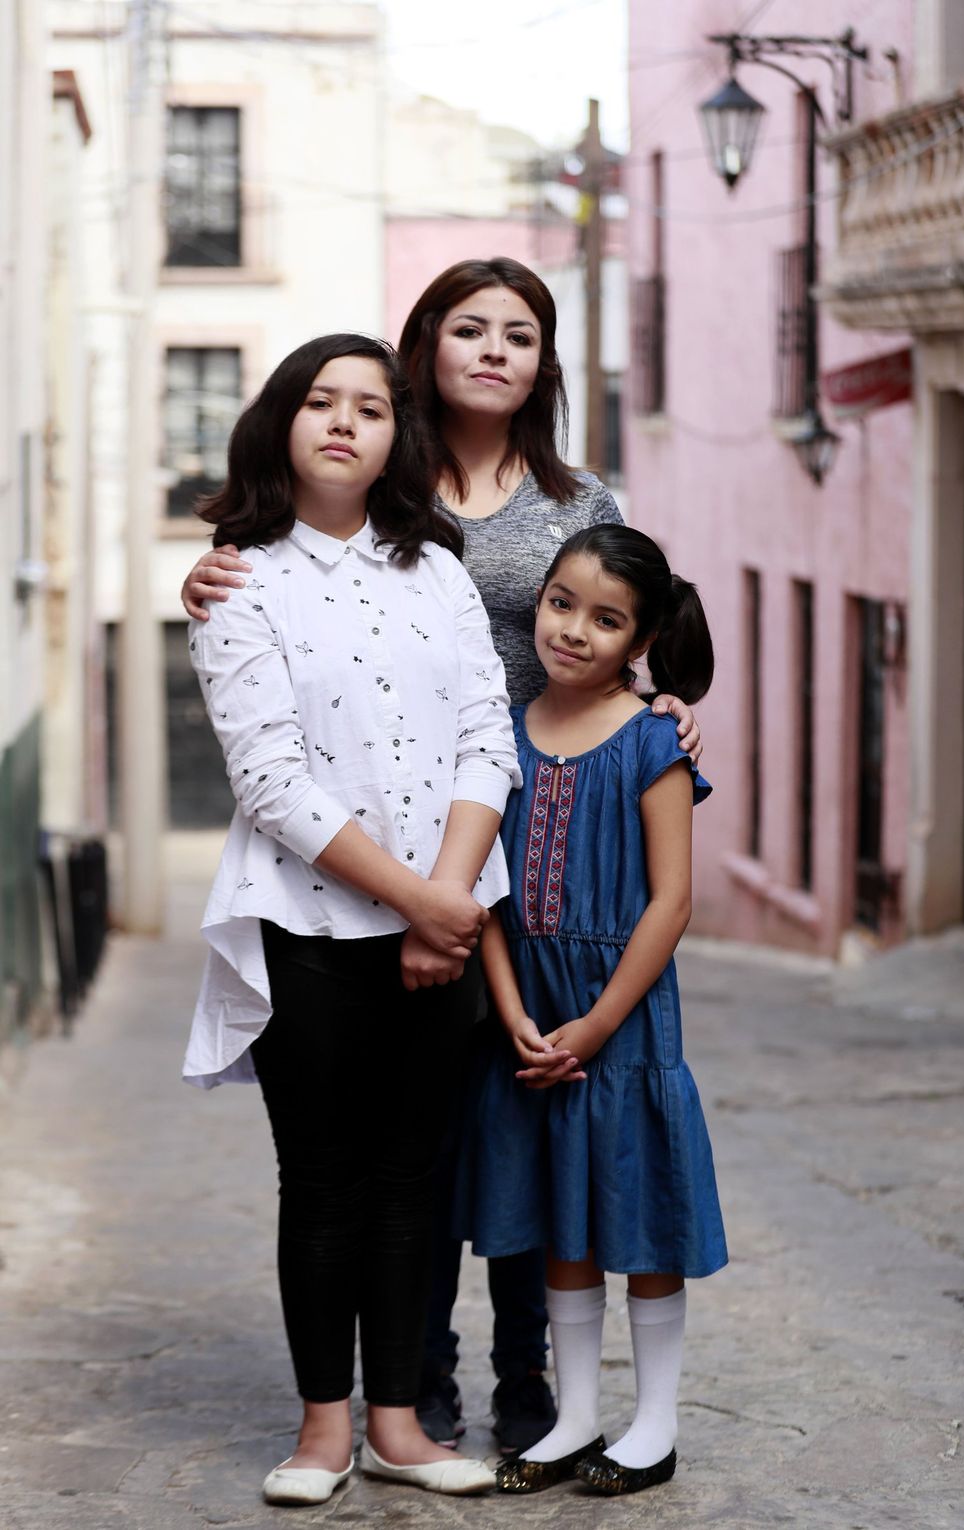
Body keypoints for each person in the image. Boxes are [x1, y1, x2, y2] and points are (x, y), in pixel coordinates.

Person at [180, 257, 705, 1453]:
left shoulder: (572, 501)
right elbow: (273, 630)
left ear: (545, 361)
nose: (491, 351)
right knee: (385, 1149)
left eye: (518, 334)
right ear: (424, 347)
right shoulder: (388, 484)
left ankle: (533, 1383)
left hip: (533, 847)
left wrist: (672, 699)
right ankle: (413, 1381)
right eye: (467, 328)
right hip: (403, 864)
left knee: (518, 1115)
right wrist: (210, 569)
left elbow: (637, 619)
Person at [183, 332, 522, 1503]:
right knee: (321, 1180)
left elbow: (491, 734)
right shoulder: (239, 579)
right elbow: (270, 779)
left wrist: (450, 906)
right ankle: (323, 1428)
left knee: (411, 1179)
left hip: (443, 931)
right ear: (282, 422)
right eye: (319, 403)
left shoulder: (439, 572)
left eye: (370, 408)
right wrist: (430, 903)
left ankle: (399, 1426)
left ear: (397, 436)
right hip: (311, 928)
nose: (343, 423)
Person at [456, 523, 728, 1497]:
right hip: (532, 1022)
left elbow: (672, 899)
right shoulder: (504, 731)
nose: (573, 630)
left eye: (606, 619)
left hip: (622, 1020)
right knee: (562, 1221)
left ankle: (653, 1424)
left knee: (640, 1216)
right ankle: (573, 1415)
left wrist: (602, 1023)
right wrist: (511, 1012)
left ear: (640, 637)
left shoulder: (653, 738)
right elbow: (481, 888)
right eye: (561, 603)